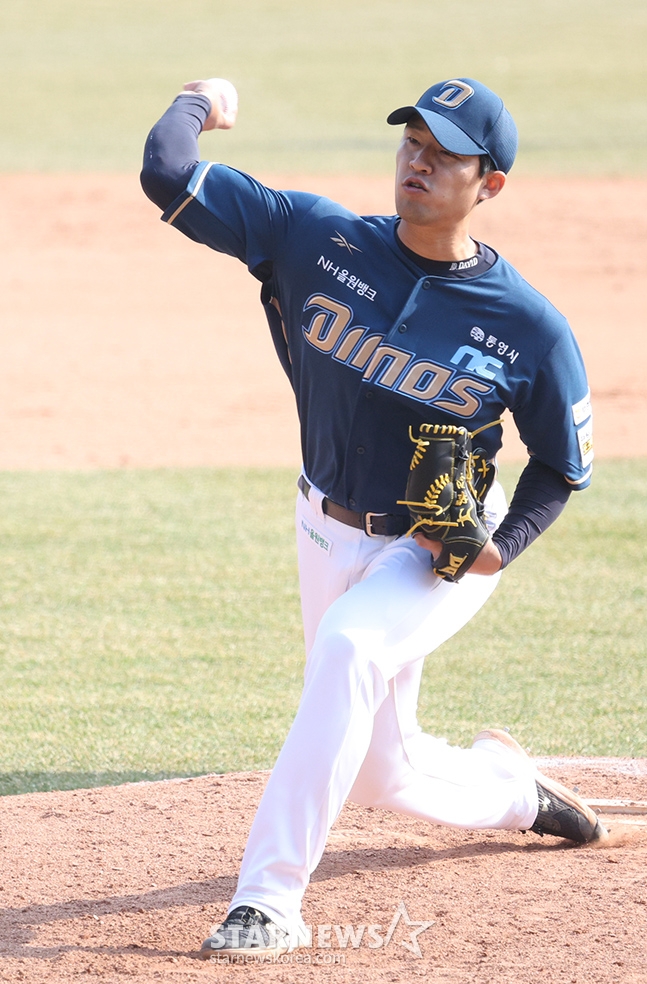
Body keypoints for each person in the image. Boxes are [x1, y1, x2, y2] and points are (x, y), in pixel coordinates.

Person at [141, 76, 605, 958]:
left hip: (431, 553)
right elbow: (168, 173)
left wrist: (498, 551)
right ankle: (515, 793)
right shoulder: (315, 238)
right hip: (321, 526)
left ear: (490, 183)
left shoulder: (528, 327)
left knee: (350, 648)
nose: (417, 162)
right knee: (380, 774)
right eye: (411, 143)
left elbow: (560, 466)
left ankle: (268, 900)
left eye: (444, 154)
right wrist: (200, 99)